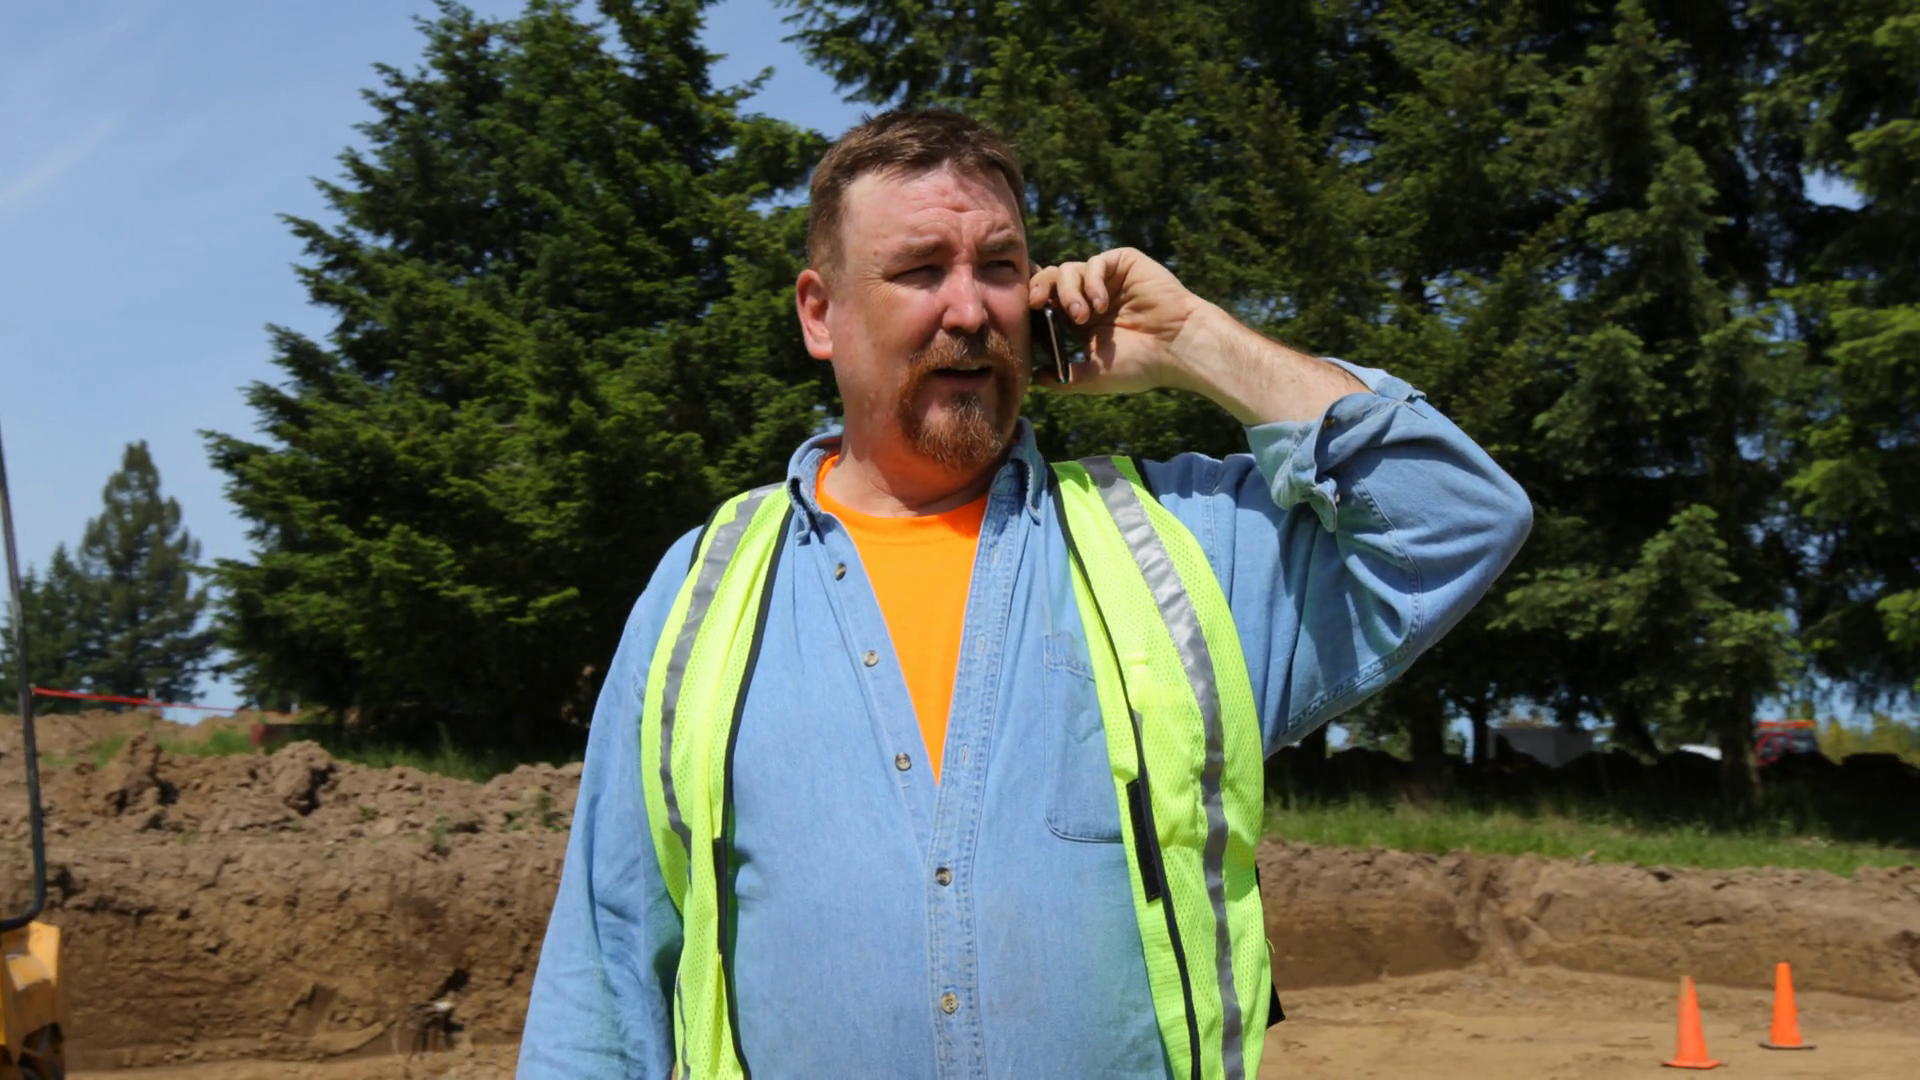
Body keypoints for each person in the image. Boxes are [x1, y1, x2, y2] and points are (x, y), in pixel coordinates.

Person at [518, 107, 1531, 1078]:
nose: (970, 310)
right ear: (820, 314)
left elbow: (1457, 519)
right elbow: (605, 975)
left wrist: (1192, 341)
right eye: (921, 270)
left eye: (1000, 267)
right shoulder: (704, 590)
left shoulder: (1180, 551)